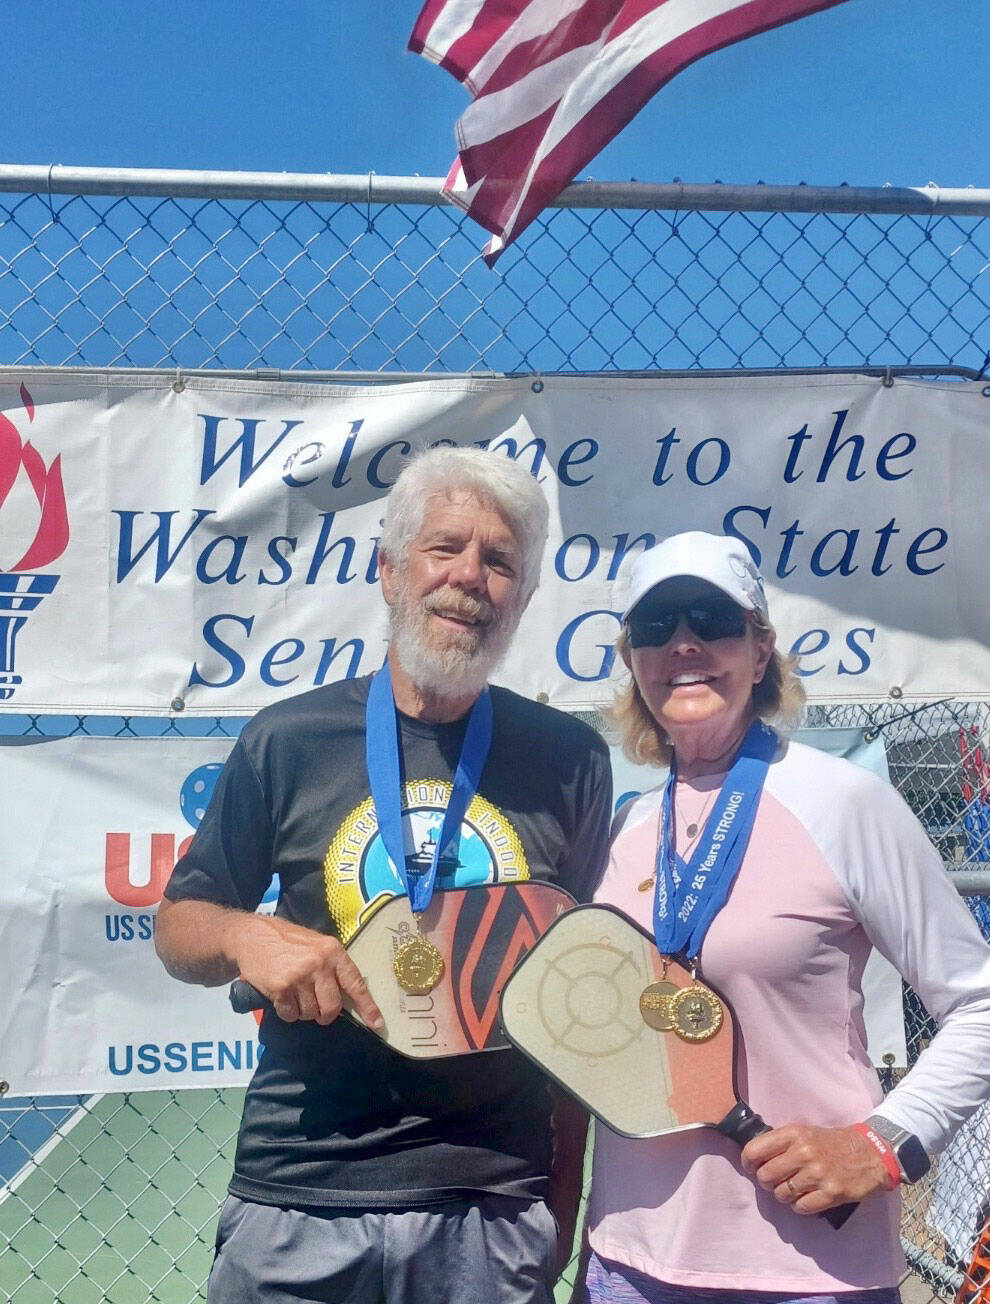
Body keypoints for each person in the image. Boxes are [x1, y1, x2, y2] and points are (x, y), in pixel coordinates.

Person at [155, 446, 612, 1304]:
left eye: (500, 560)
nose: (470, 576)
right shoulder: (287, 740)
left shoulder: (570, 761)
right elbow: (179, 927)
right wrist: (245, 933)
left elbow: (577, 1003)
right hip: (301, 1188)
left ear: (521, 595)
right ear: (390, 570)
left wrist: (560, 1202)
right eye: (445, 548)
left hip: (489, 1202)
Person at [581, 530, 990, 1303]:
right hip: (627, 1262)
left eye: (712, 619)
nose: (685, 643)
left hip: (809, 1271)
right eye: (656, 627)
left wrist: (887, 1143)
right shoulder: (628, 824)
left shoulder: (843, 801)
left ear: (760, 649)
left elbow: (979, 1002)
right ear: (633, 659)